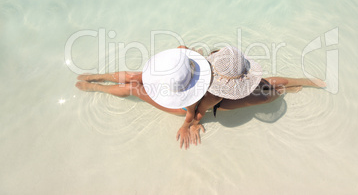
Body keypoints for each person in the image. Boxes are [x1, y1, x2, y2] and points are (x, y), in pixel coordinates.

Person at [76, 45, 326, 149]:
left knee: (134, 80)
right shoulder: (213, 97)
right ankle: (97, 87)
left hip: (166, 77)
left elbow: (183, 49)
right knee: (266, 93)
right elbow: (194, 111)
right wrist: (189, 126)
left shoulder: (191, 56)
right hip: (184, 103)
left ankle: (95, 79)